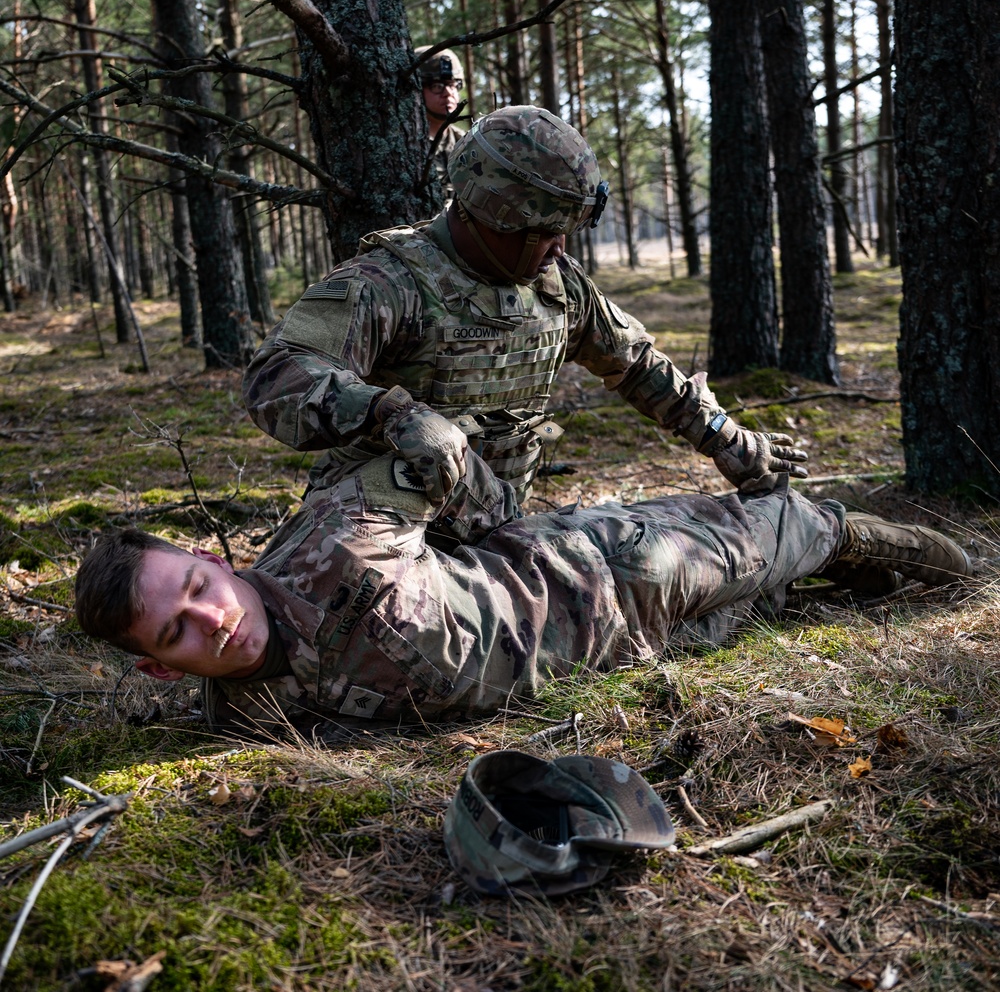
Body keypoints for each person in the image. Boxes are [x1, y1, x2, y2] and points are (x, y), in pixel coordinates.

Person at [74, 450, 973, 735]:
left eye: (197, 585)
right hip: (626, 660)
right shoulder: (244, 720)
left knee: (795, 537)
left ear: (208, 558)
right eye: (179, 632)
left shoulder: (333, 535)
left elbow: (438, 461)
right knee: (772, 612)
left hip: (615, 568)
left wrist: (500, 528)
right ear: (160, 670)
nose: (213, 619)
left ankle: (947, 564)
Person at [242, 105, 808, 512]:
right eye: (544, 232)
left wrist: (724, 437)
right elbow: (277, 376)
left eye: (566, 230)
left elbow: (637, 365)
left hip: (498, 530)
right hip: (378, 532)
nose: (560, 248)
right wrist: (392, 414)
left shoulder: (556, 286)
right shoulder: (388, 283)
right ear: (491, 214)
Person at [414, 45, 468, 200]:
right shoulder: (406, 145)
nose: (448, 93)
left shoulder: (467, 142)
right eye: (437, 86)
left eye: (454, 85)